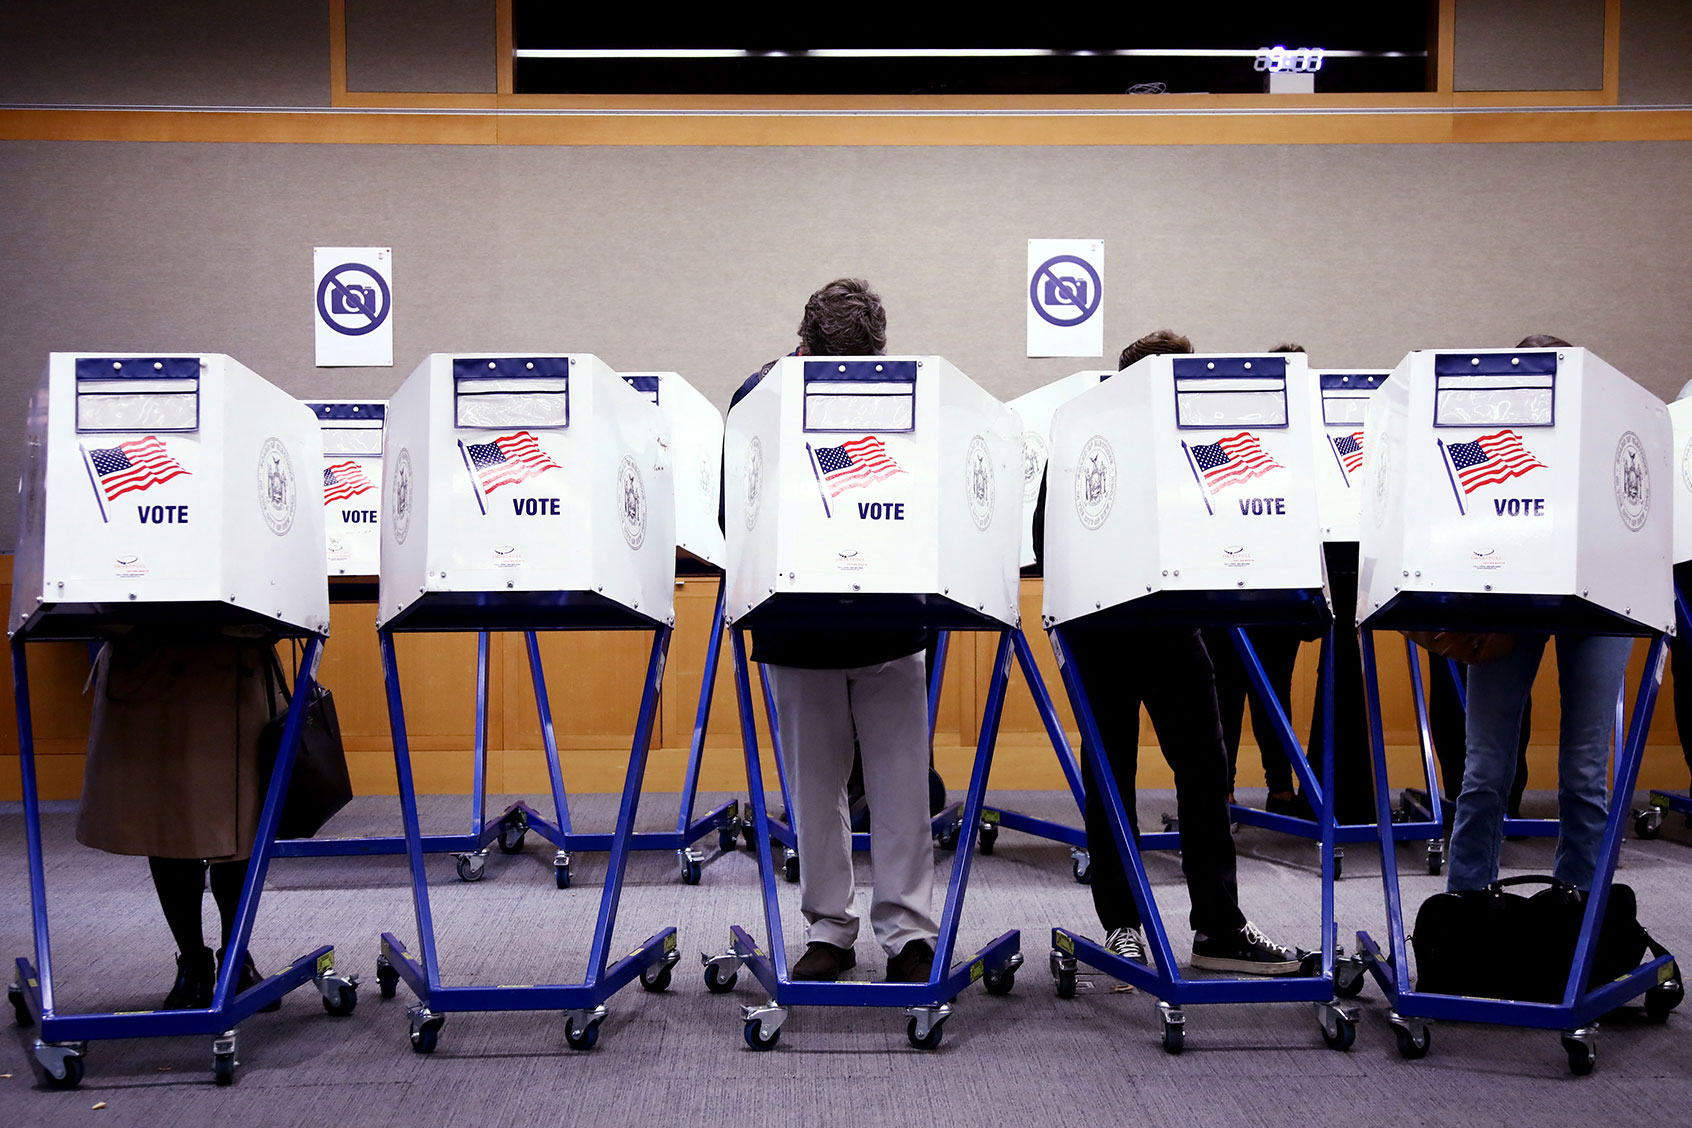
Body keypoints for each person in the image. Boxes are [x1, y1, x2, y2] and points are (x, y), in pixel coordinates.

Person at [1033, 329, 1309, 978]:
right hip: (1100, 632)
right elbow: (1050, 538)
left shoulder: (1194, 441)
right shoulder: (1080, 438)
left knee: (1206, 775)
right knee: (1110, 779)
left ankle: (1218, 925)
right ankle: (1122, 924)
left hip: (1177, 630)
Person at [723, 278, 938, 982]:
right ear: (804, 348)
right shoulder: (760, 400)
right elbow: (738, 515)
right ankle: (829, 929)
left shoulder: (910, 393)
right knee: (816, 792)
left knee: (902, 786)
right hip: (800, 627)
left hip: (891, 620)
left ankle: (908, 933)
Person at [1446, 334, 1632, 891]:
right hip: (1508, 594)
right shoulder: (1481, 436)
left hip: (1598, 594)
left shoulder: (1607, 433)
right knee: (1484, 770)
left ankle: (1581, 915)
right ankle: (1466, 906)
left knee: (1583, 771)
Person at [76, 630, 283, 1009]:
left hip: (233, 658)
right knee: (168, 824)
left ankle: (235, 958)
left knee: (243, 825)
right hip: (150, 665)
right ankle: (193, 960)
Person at [1204, 342, 1314, 820]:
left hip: (1271, 586)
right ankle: (1246, 789)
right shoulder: (1244, 435)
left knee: (1265, 692)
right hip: (1238, 582)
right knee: (1236, 692)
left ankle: (1270, 789)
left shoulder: (1300, 438)